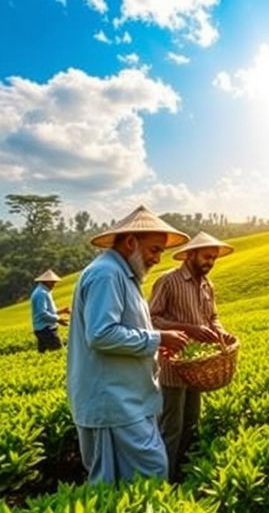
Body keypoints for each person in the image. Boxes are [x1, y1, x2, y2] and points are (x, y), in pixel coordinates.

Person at [67, 205, 190, 484]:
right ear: (131, 242)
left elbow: (124, 331)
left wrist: (155, 345)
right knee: (141, 475)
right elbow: (101, 334)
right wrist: (158, 338)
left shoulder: (124, 275)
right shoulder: (106, 275)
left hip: (129, 399)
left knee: (136, 479)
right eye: (155, 249)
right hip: (112, 402)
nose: (158, 258)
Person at [149, 231, 234, 481]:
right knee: (171, 429)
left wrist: (221, 332)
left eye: (214, 259)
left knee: (191, 423)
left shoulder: (208, 285)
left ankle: (183, 475)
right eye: (207, 257)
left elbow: (213, 317)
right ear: (191, 254)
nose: (210, 262)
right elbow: (152, 319)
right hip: (172, 367)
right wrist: (190, 329)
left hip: (198, 367)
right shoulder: (168, 281)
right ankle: (164, 479)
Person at [30, 269, 69, 352]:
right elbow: (42, 313)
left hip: (42, 329)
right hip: (46, 329)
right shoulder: (41, 293)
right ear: (47, 281)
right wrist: (58, 319)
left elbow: (48, 311)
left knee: (42, 354)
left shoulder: (42, 291)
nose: (54, 284)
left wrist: (62, 311)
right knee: (58, 351)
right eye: (53, 282)